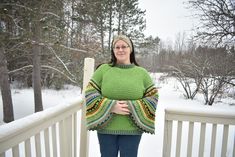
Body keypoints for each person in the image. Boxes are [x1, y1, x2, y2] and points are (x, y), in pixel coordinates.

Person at [85, 34, 159, 157]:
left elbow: (153, 97)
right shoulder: (103, 70)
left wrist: (131, 106)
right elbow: (89, 92)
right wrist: (111, 106)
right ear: (113, 50)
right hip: (106, 129)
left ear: (131, 49)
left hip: (132, 130)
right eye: (116, 47)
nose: (120, 50)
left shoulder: (142, 73)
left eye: (124, 46)